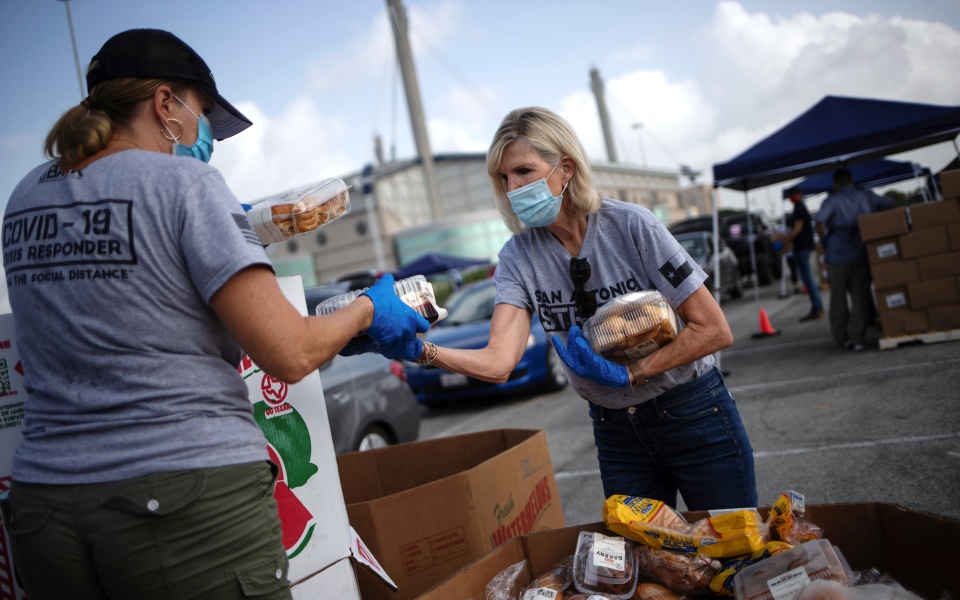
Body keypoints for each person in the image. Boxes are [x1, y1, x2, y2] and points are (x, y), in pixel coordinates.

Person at [0, 29, 428, 599]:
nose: (205, 134)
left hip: (46, 509)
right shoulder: (186, 183)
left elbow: (130, 302)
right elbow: (290, 351)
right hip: (181, 500)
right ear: (165, 104)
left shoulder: (26, 196)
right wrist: (369, 309)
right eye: (201, 114)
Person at [378, 107, 757, 511]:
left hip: (691, 410)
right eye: (504, 178)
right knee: (642, 550)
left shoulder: (632, 226)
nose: (513, 187)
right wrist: (421, 350)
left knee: (729, 540)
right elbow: (499, 362)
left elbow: (714, 329)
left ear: (566, 168)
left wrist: (632, 373)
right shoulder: (518, 258)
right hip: (616, 430)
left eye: (523, 171)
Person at [814, 169, 896, 351]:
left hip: (837, 254)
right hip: (861, 252)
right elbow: (891, 203)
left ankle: (842, 339)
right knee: (860, 298)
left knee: (838, 300)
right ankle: (857, 338)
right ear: (851, 181)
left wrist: (824, 240)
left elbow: (819, 221)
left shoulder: (832, 200)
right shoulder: (866, 196)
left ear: (835, 183)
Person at [785, 186, 824, 321]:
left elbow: (797, 228)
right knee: (808, 279)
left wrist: (786, 239)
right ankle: (817, 308)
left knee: (807, 279)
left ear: (799, 194)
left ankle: (817, 309)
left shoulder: (799, 208)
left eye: (793, 195)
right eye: (790, 195)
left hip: (802, 247)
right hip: (803, 247)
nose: (792, 198)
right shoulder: (799, 207)